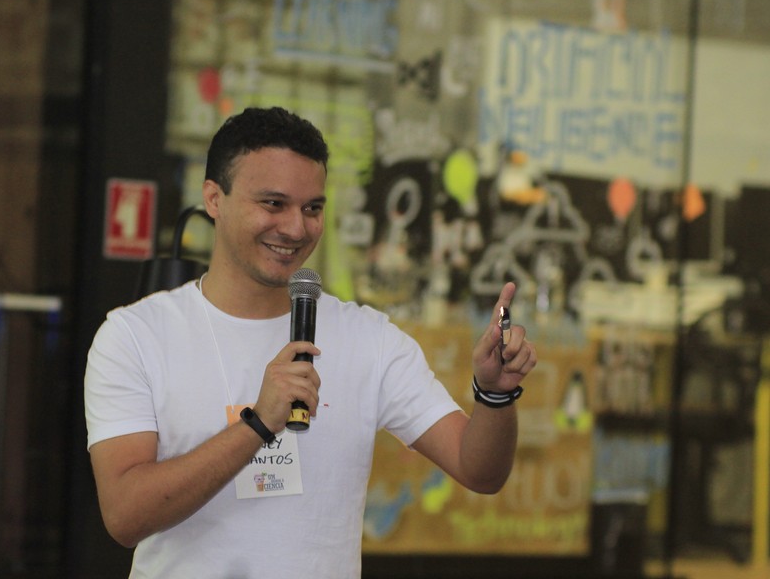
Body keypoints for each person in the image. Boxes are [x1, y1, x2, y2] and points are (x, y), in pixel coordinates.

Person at [84, 106, 537, 578]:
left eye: (312, 208)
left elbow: (480, 471)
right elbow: (125, 515)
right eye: (273, 204)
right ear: (214, 199)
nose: (296, 228)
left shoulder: (369, 339)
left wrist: (495, 394)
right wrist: (257, 426)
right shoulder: (135, 336)